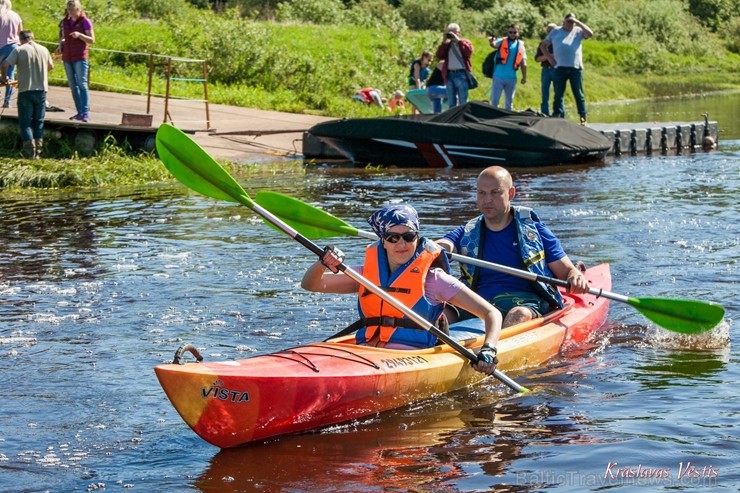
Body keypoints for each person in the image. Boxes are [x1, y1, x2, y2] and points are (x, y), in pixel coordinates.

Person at [302, 204, 501, 374]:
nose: (402, 244)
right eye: (393, 237)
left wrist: (489, 348)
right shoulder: (363, 275)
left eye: (408, 236)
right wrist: (323, 263)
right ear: (383, 242)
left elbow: (491, 313)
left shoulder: (434, 280)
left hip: (410, 358)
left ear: (417, 238)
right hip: (366, 353)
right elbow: (311, 284)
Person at [438, 166, 590, 328]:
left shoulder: (535, 230)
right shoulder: (467, 231)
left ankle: (496, 350)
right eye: (481, 193)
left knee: (518, 314)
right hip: (479, 301)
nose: (487, 200)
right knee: (437, 313)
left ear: (511, 193)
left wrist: (575, 275)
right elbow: (444, 245)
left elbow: (566, 271)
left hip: (524, 301)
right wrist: (430, 247)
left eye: (495, 192)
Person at [1, 30, 53, 159]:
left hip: (25, 90)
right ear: (33, 37)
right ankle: (38, 153)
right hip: (41, 90)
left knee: (25, 123)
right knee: (39, 122)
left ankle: (29, 153)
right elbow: (50, 66)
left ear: (20, 39)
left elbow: (5, 64)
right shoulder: (44, 49)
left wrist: (4, 78)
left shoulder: (20, 50)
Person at [544, 13, 593, 125]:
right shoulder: (556, 31)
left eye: (572, 22)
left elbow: (590, 33)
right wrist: (549, 58)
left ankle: (582, 116)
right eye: (569, 21)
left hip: (575, 67)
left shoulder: (578, 31)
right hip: (560, 67)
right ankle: (557, 114)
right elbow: (543, 45)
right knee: (558, 93)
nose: (570, 24)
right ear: (564, 21)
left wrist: (578, 22)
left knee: (578, 93)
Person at [56, 0, 94, 122]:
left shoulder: (85, 21)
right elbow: (62, 37)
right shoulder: (64, 22)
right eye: (68, 9)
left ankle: (85, 112)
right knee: (73, 85)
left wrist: (80, 35)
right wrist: (60, 45)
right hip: (67, 56)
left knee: (82, 84)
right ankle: (79, 112)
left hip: (80, 56)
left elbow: (92, 40)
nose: (70, 12)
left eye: (73, 9)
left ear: (79, 9)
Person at [489, 24, 527, 111]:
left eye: (514, 32)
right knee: (494, 101)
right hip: (498, 76)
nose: (512, 34)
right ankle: (492, 119)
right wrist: (491, 42)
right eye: (510, 32)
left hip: (512, 78)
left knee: (509, 102)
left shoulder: (521, 45)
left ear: (518, 33)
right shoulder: (502, 41)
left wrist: (524, 77)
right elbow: (494, 45)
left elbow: (523, 63)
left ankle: (507, 120)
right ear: (508, 33)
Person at [435, 23, 473, 108]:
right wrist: (444, 42)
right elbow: (439, 56)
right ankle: (454, 120)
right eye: (449, 33)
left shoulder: (465, 43)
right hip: (449, 75)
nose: (451, 35)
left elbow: (468, 52)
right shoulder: (447, 45)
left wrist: (459, 41)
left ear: (459, 33)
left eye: (454, 33)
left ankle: (463, 120)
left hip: (461, 74)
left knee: (463, 101)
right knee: (451, 103)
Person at [0, 0, 22, 108]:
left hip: (1, 46)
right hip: (14, 46)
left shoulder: (0, 14)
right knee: (10, 73)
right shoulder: (16, 15)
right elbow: (20, 32)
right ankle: (7, 102)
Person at [534, 23, 557, 115]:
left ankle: (558, 113)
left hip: (557, 69)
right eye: (548, 30)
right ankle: (545, 113)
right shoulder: (543, 43)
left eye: (552, 30)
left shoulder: (559, 42)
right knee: (545, 93)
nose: (549, 32)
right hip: (546, 69)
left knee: (558, 93)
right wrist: (548, 56)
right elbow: (537, 59)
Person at [407, 50, 431, 115]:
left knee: (422, 101)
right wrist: (419, 90)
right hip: (413, 82)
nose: (429, 61)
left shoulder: (427, 67)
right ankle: (414, 115)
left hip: (421, 83)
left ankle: (420, 114)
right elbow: (417, 78)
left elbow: (426, 79)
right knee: (415, 101)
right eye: (428, 59)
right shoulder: (417, 64)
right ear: (424, 57)